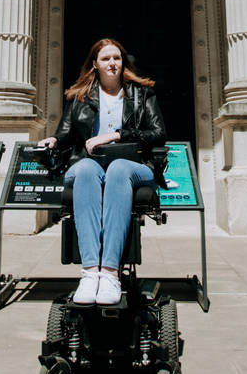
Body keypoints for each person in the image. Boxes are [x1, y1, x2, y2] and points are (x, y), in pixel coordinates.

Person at [40, 38, 165, 306]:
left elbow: (158, 134)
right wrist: (52, 141)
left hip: (133, 166)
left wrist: (116, 136)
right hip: (91, 165)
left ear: (123, 62)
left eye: (117, 58)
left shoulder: (142, 94)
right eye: (106, 58)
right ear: (95, 64)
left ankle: (109, 273)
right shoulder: (79, 97)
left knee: (118, 168)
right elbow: (63, 135)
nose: (112, 63)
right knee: (85, 169)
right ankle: (90, 272)